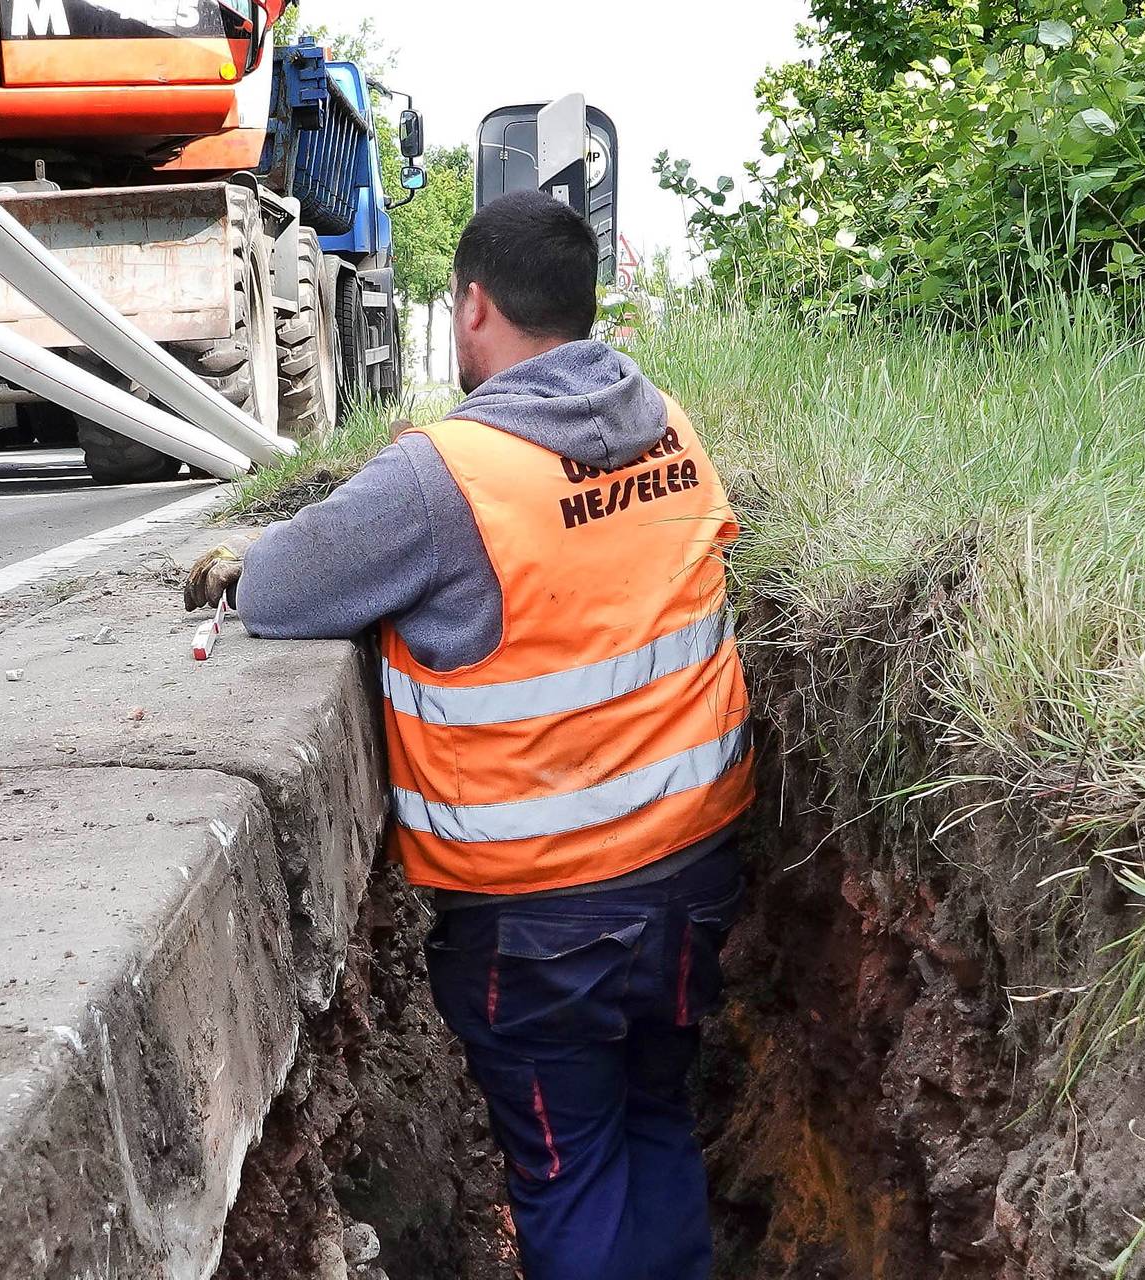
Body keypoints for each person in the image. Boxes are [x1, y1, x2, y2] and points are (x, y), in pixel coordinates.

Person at [189, 193, 752, 1280]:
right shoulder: (668, 425)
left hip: (542, 925)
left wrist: (252, 554)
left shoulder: (446, 473)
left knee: (567, 1164)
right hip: (692, 882)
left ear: (474, 306)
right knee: (657, 1119)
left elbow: (283, 587)